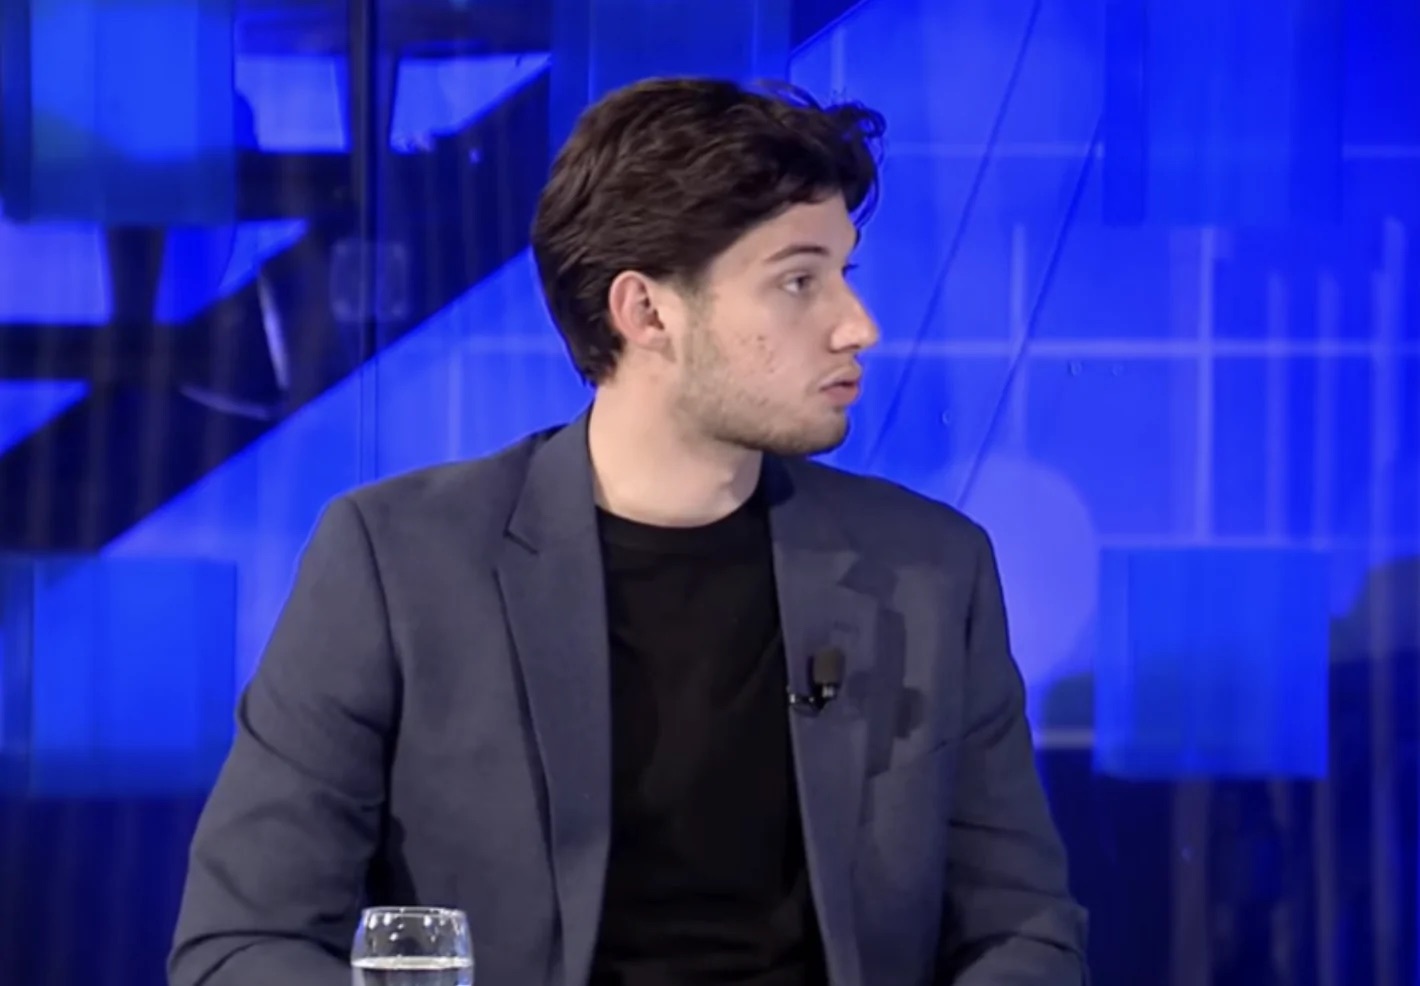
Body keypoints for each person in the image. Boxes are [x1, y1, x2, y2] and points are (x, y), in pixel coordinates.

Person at [169, 77, 1088, 986]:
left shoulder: (931, 569)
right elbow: (240, 944)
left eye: (843, 275)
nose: (859, 327)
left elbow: (1024, 932)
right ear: (645, 312)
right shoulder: (398, 563)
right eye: (798, 281)